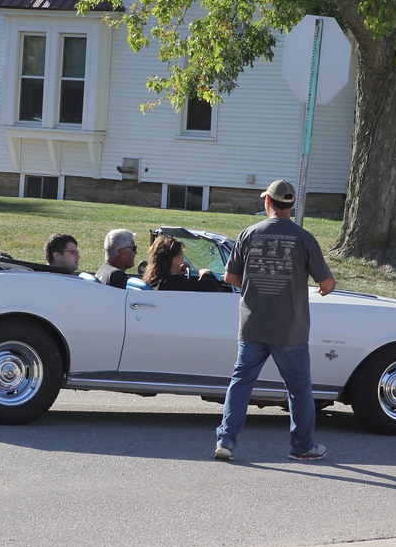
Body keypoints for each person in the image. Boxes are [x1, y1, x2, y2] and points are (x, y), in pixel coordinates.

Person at [214, 179, 336, 462]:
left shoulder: (248, 234)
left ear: (267, 202)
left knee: (241, 383)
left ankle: (226, 442)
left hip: (253, 325)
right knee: (299, 389)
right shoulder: (304, 238)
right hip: (290, 328)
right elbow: (327, 283)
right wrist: (320, 286)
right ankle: (302, 446)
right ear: (291, 206)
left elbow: (230, 278)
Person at [142, 235, 222, 292]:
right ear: (173, 259)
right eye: (181, 255)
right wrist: (206, 274)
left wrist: (176, 274)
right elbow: (209, 287)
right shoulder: (172, 283)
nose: (183, 258)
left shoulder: (154, 279)